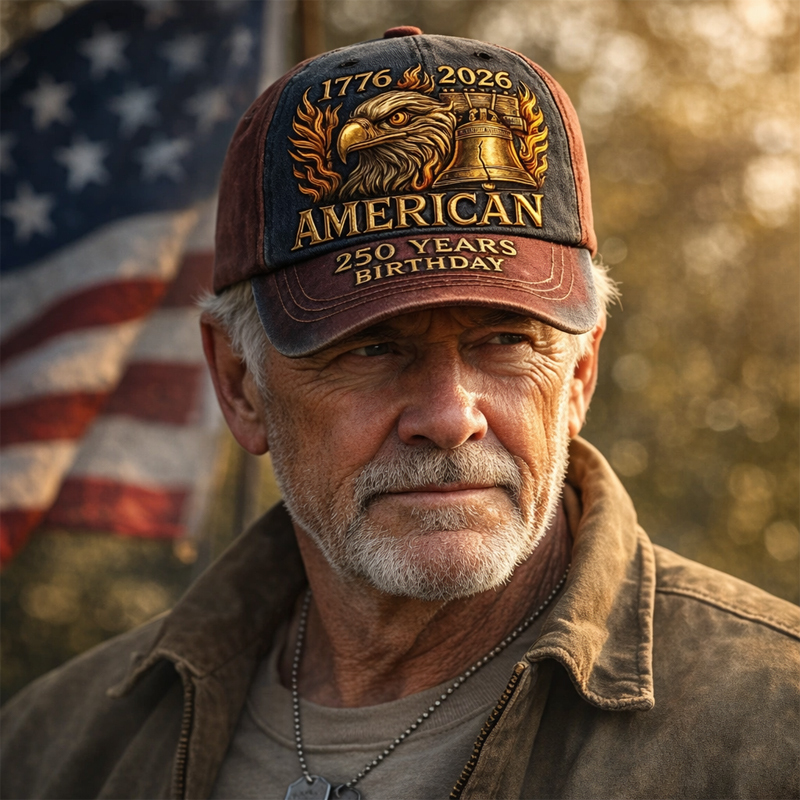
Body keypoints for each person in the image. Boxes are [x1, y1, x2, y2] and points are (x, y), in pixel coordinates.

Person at [2, 27, 798, 800]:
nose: (451, 417)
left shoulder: (774, 727)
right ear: (241, 385)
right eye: (371, 349)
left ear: (580, 373)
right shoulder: (50, 749)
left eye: (503, 341)